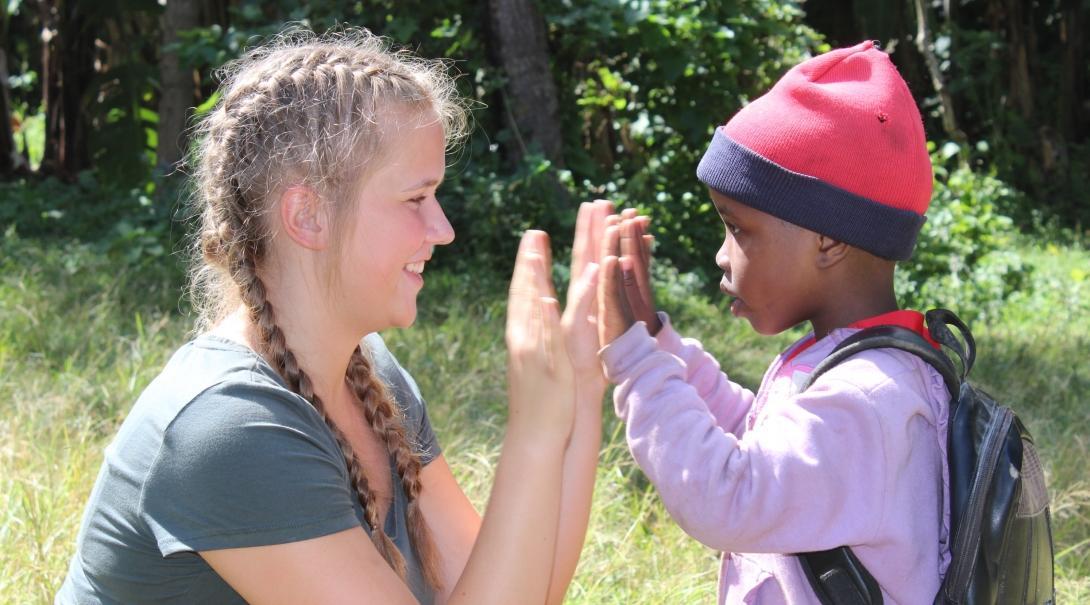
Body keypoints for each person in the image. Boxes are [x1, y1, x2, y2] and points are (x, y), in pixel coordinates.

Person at [56, 29, 612, 605]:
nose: (443, 229)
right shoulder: (228, 428)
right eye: (416, 199)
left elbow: (526, 591)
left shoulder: (371, 374)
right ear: (309, 216)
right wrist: (533, 430)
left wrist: (577, 396)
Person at [594, 41, 951, 603]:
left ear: (828, 239)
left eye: (737, 229)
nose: (721, 253)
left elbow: (730, 495)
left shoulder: (868, 400)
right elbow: (757, 440)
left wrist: (636, 362)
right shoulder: (852, 366)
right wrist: (661, 343)